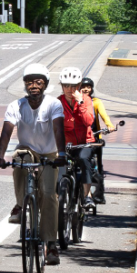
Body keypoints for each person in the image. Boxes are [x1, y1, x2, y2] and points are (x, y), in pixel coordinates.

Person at [0, 63, 67, 265]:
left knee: (49, 196)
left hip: (50, 154)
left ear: (46, 84)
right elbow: (6, 132)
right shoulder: (16, 106)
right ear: (24, 85)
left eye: (38, 81)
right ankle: (19, 204)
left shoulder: (53, 104)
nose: (33, 85)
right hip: (28, 150)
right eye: (29, 82)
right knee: (19, 157)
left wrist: (62, 154)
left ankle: (51, 244)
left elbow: (59, 129)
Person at [54, 67, 98, 208]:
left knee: (85, 160)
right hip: (65, 144)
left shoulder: (86, 100)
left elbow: (88, 122)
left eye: (73, 86)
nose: (69, 89)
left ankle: (87, 195)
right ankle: (54, 197)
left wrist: (80, 104)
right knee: (52, 162)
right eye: (66, 85)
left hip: (83, 143)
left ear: (79, 86)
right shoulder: (57, 102)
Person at [79, 76, 111, 204]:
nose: (86, 89)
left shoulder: (96, 102)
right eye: (83, 87)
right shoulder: (76, 101)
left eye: (88, 87)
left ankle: (99, 195)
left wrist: (109, 125)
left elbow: (104, 115)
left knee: (97, 167)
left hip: (94, 138)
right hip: (79, 138)